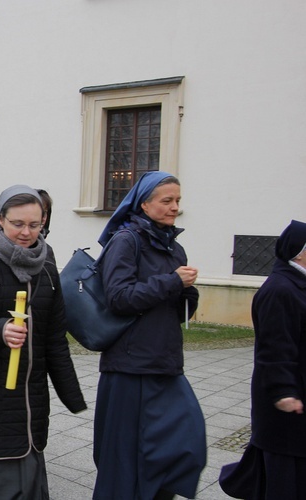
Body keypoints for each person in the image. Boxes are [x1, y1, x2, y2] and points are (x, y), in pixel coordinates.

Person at [0, 185, 86, 499]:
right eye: (17, 224)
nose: (26, 232)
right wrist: (0, 330)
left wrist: (72, 396)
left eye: (34, 225)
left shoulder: (47, 265)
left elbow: (54, 338)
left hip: (32, 400)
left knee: (22, 480)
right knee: (2, 483)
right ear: (0, 220)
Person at [92, 171, 204, 500]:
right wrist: (172, 283)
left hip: (164, 363)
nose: (174, 208)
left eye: (178, 201)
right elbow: (119, 298)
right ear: (144, 204)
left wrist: (188, 293)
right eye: (166, 201)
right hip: (129, 366)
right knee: (124, 460)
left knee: (183, 445)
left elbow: (174, 307)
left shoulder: (174, 248)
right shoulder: (126, 240)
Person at [218, 220, 306, 499]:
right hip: (286, 404)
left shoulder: (296, 285)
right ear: (300, 253)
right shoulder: (280, 290)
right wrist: (283, 391)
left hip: (296, 400)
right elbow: (273, 347)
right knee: (282, 478)